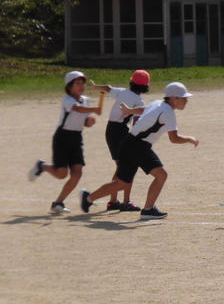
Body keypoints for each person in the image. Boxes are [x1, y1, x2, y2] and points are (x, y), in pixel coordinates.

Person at [79, 82, 199, 220]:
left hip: (138, 145)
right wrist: (190, 139)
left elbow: (144, 109)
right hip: (135, 146)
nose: (186, 101)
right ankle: (88, 198)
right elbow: (174, 138)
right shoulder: (168, 112)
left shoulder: (158, 103)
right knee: (122, 183)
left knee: (160, 175)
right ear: (173, 98)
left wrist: (130, 110)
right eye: (184, 98)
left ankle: (148, 209)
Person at [28, 71, 103, 213]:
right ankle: (42, 166)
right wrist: (95, 109)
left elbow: (84, 120)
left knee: (77, 173)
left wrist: (89, 122)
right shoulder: (67, 100)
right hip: (62, 138)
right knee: (61, 174)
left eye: (82, 83)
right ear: (69, 86)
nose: (81, 86)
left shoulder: (86, 100)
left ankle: (58, 202)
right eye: (77, 83)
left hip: (76, 138)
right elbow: (77, 109)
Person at [89, 70, 151, 212]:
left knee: (120, 167)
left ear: (131, 82)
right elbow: (136, 124)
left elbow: (107, 88)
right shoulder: (139, 101)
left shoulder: (122, 91)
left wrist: (95, 86)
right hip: (120, 132)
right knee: (128, 167)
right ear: (145, 86)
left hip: (110, 130)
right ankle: (126, 202)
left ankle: (113, 201)